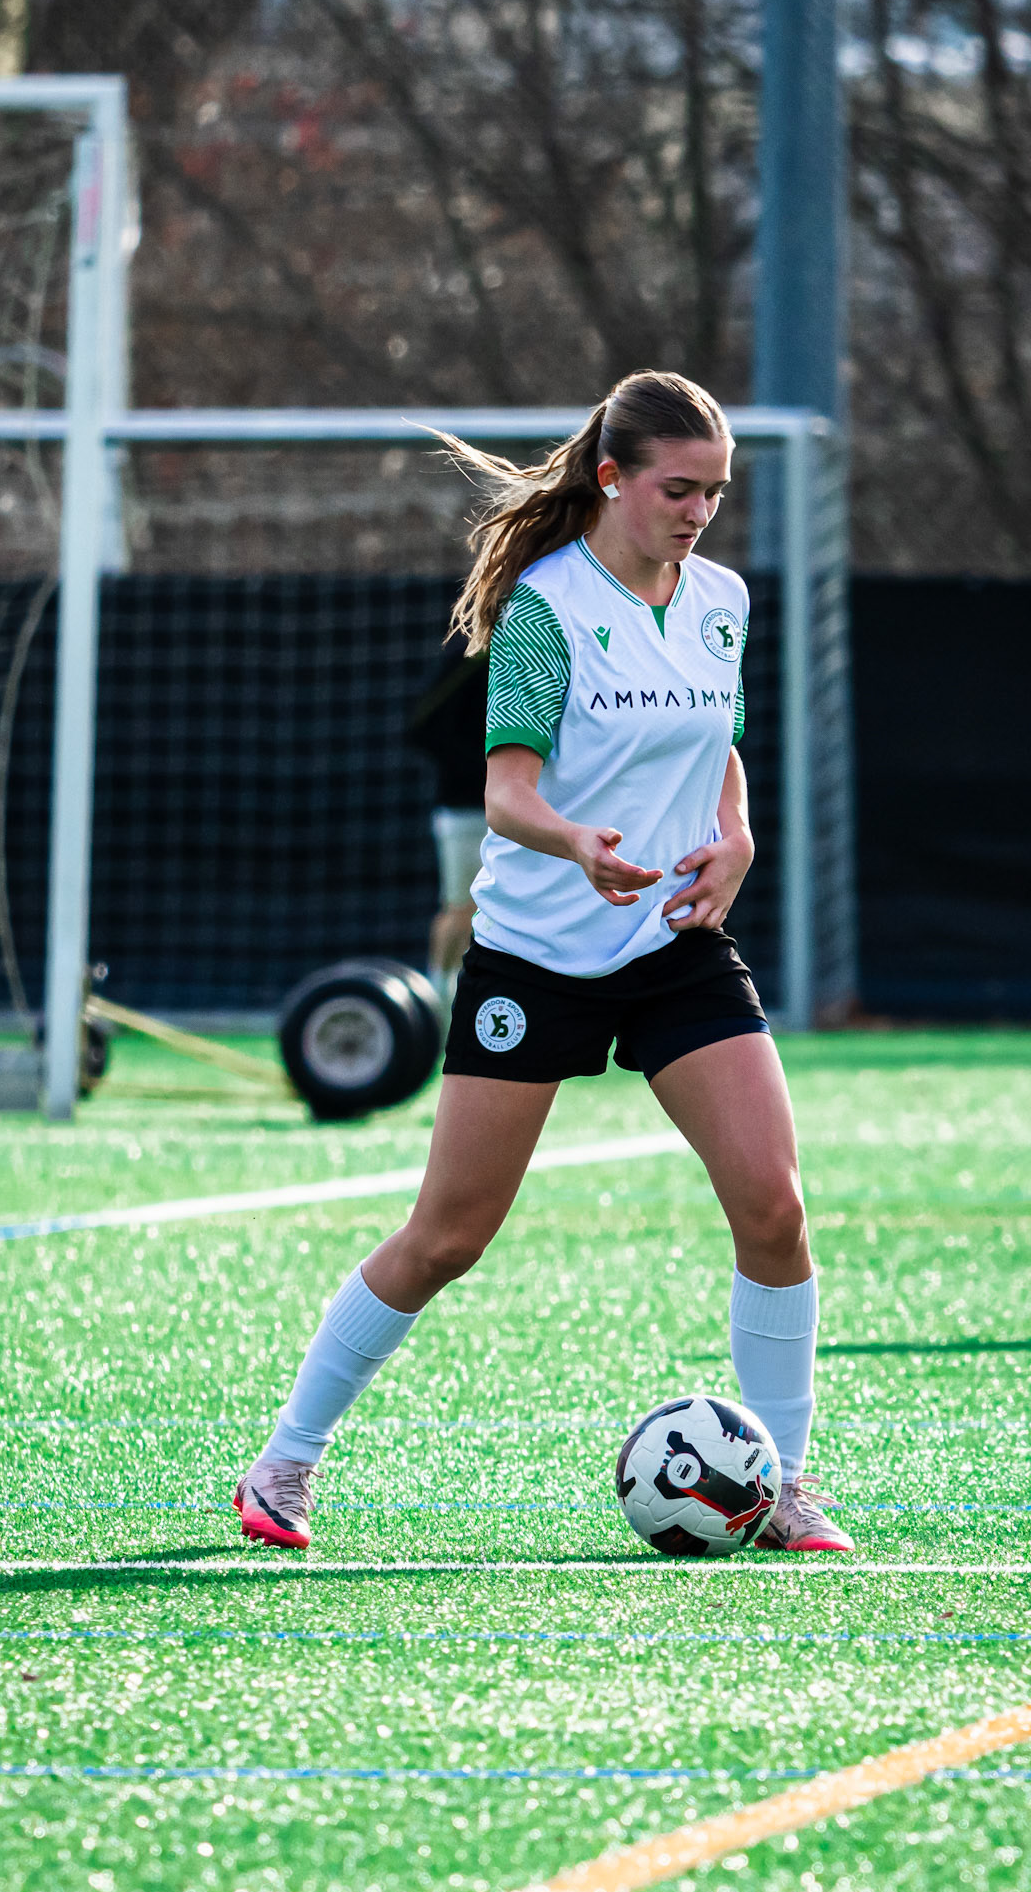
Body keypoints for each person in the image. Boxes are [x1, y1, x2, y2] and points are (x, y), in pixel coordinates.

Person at [235, 370, 853, 1556]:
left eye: (717, 492)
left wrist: (739, 837)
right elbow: (506, 790)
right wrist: (576, 842)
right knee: (449, 1235)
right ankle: (285, 1464)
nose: (699, 512)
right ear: (613, 478)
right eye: (679, 488)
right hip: (537, 956)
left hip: (675, 943)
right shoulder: (546, 608)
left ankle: (778, 1486)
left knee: (774, 1206)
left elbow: (718, 746)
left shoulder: (721, 597)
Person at [407, 636, 489, 1002]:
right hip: (467, 809)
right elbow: (421, 727)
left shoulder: (543, 649)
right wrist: (489, 773)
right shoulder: (470, 654)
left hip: (533, 808)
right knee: (460, 910)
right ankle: (436, 1008)